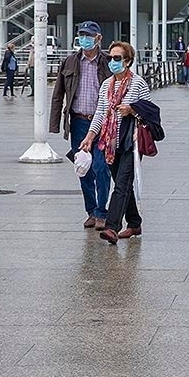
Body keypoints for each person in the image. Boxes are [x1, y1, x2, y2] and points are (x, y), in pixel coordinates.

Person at [79, 42, 152, 244]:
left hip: (130, 141)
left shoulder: (138, 84)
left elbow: (150, 111)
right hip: (109, 143)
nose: (113, 62)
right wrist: (90, 137)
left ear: (128, 61)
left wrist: (132, 109)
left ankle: (112, 227)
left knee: (121, 184)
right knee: (123, 184)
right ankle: (135, 222)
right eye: (110, 57)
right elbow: (100, 113)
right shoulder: (106, 85)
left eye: (117, 58)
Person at [50, 20, 112, 230]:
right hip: (78, 121)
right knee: (83, 167)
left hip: (103, 123)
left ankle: (102, 212)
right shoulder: (69, 62)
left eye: (89, 35)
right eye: (81, 35)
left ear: (98, 38)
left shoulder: (107, 62)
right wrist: (54, 123)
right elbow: (58, 94)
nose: (84, 39)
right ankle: (91, 211)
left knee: (101, 167)